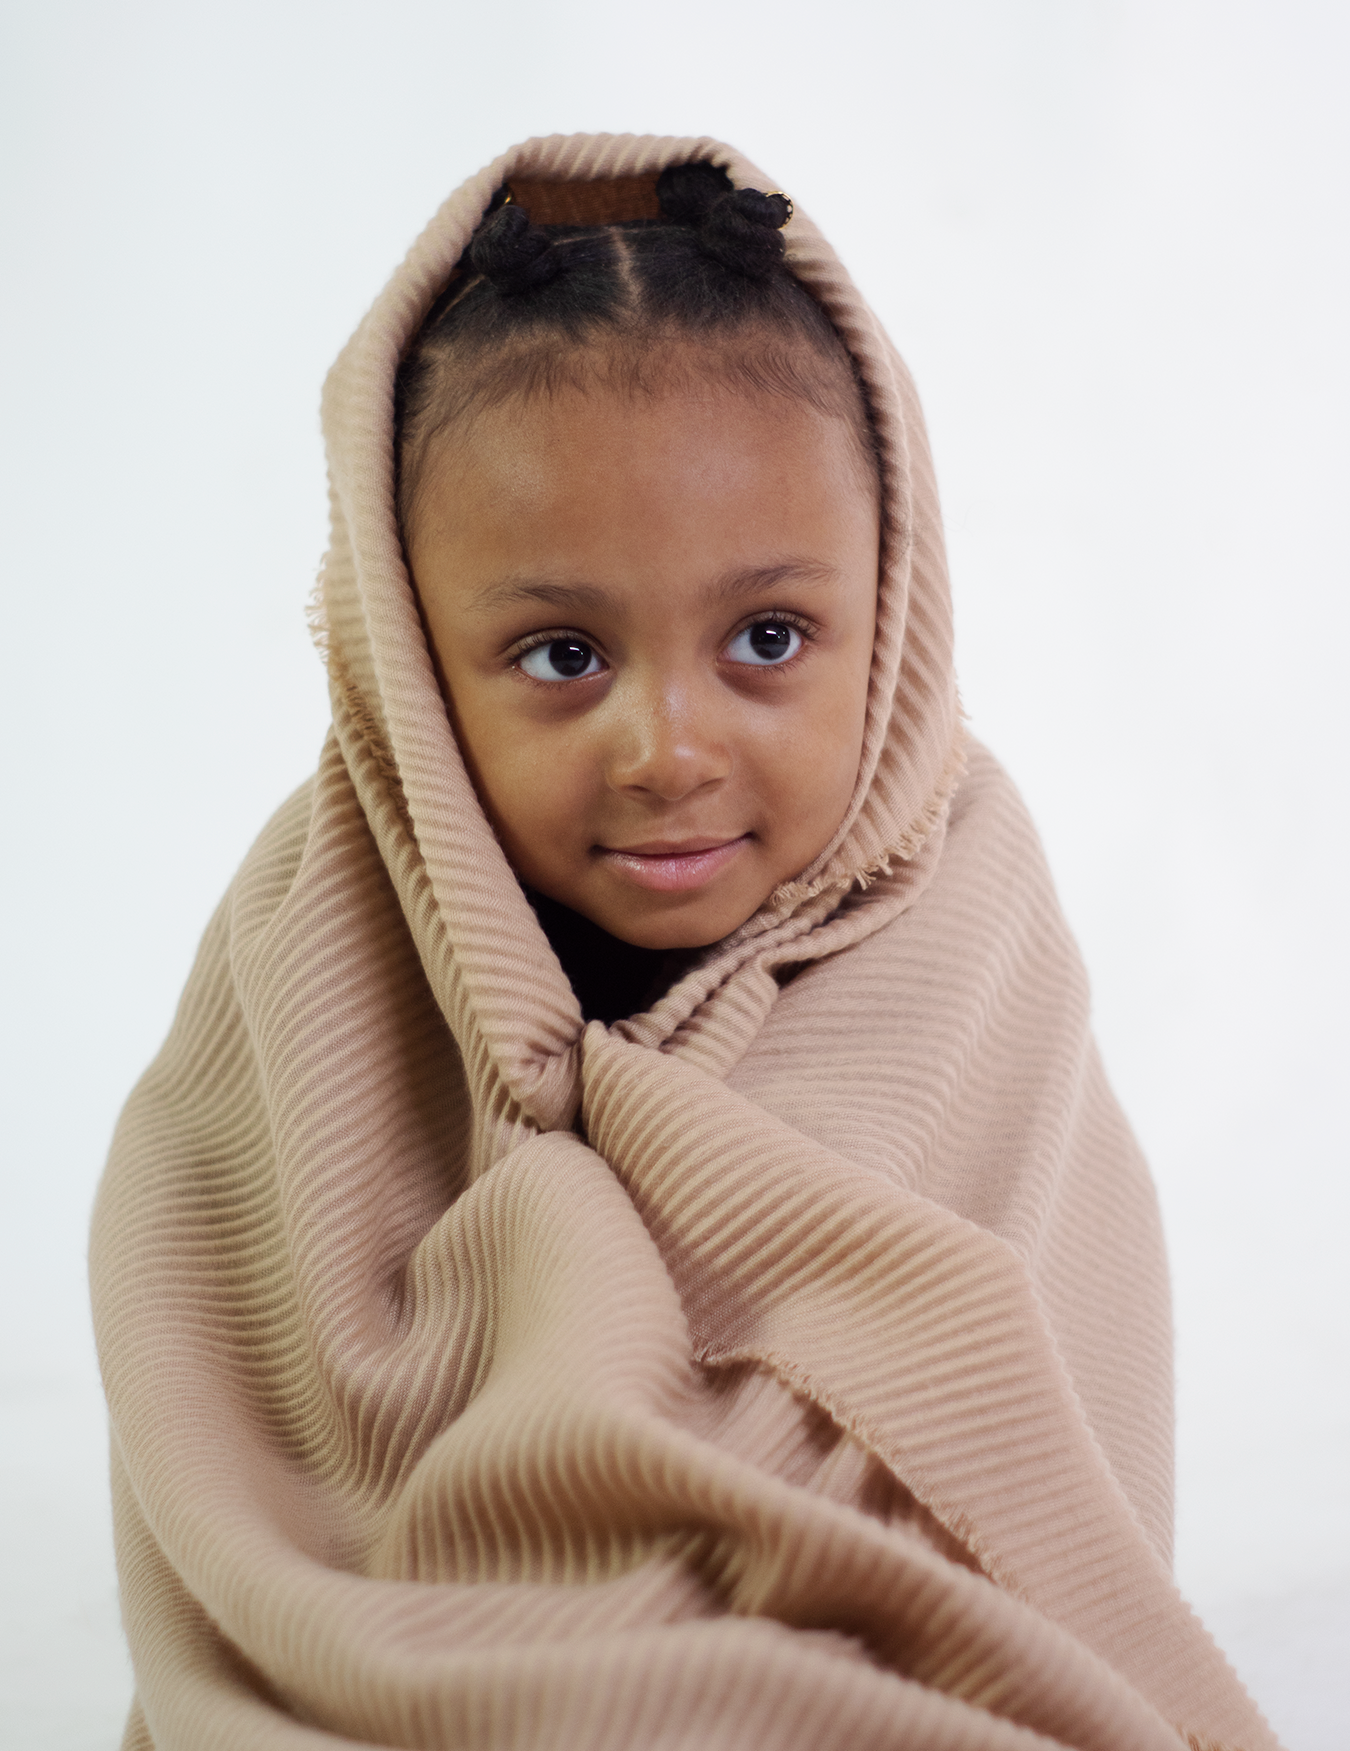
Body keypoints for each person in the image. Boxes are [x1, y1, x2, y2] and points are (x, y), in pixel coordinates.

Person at [91, 134, 1277, 1751]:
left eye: (767, 638)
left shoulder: (961, 925)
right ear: (408, 651)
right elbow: (238, 1399)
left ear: (892, 601)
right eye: (561, 655)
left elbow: (997, 1454)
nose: (668, 751)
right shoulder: (317, 939)